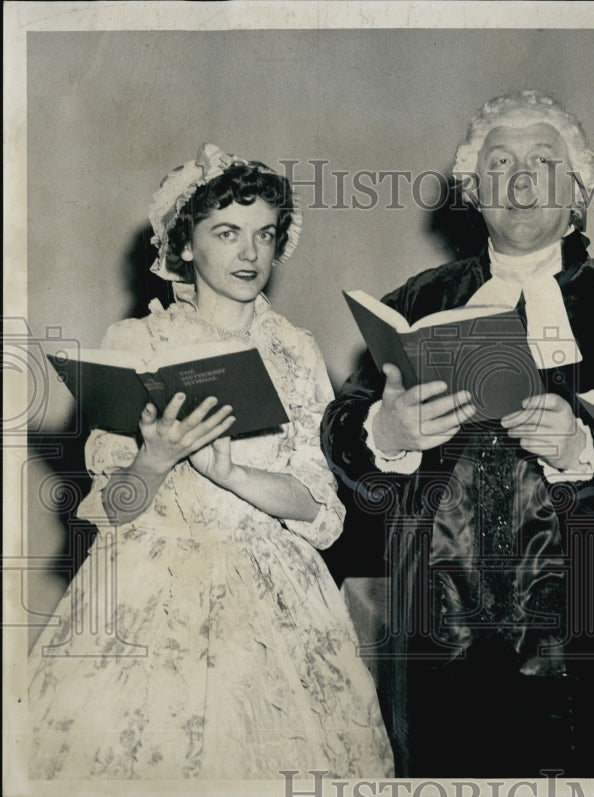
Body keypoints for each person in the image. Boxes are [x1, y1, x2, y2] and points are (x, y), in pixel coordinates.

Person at [321, 90, 594, 777]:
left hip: (583, 635)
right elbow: (339, 438)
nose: (521, 181)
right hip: (434, 625)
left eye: (543, 163)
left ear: (578, 190)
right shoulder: (417, 300)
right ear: (472, 190)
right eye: (499, 164)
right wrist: (388, 428)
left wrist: (584, 454)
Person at [29, 144, 393, 779]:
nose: (251, 254)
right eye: (228, 233)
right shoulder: (137, 343)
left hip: (276, 602)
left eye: (264, 235)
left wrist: (237, 477)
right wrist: (156, 459)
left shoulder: (295, 350)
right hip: (147, 595)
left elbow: (325, 511)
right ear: (187, 244)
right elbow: (107, 516)